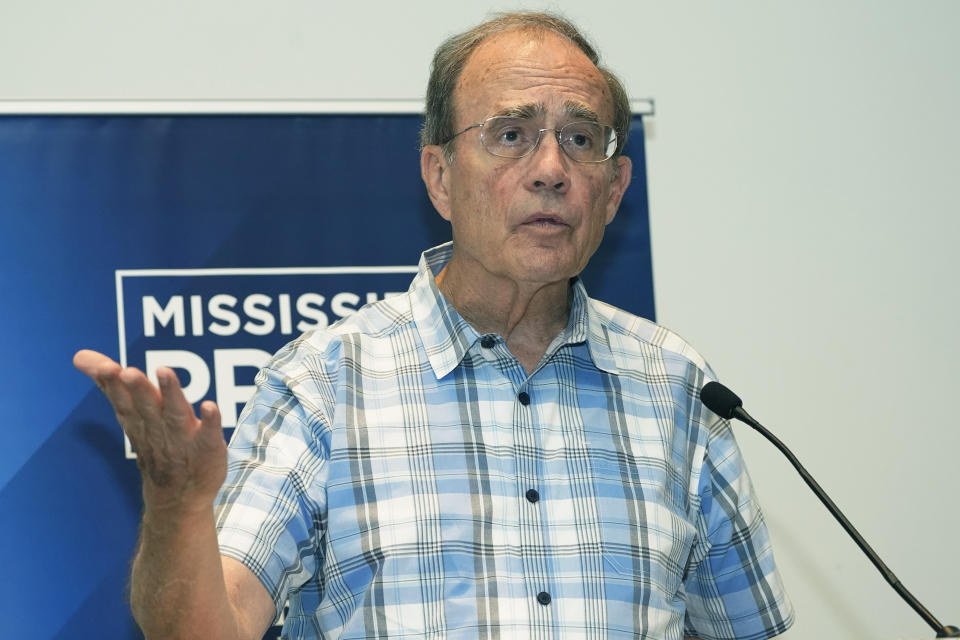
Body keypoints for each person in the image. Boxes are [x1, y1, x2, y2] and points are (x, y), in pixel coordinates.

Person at [74, 11, 794, 640]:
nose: (550, 168)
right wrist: (177, 504)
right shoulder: (326, 382)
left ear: (614, 190)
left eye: (580, 139)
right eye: (511, 134)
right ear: (440, 176)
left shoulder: (679, 387)